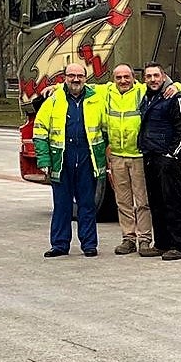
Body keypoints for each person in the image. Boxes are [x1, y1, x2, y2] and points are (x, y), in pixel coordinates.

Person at [32, 62, 107, 257]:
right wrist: (44, 161)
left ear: (86, 78)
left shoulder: (97, 97)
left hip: (86, 159)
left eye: (80, 76)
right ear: (64, 77)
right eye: (71, 75)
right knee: (62, 206)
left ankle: (89, 245)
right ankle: (59, 245)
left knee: (87, 205)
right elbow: (40, 131)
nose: (75, 79)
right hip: (61, 160)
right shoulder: (53, 99)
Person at [102, 64, 157, 257]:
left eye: (127, 77)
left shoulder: (142, 91)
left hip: (138, 155)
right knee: (123, 201)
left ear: (134, 78)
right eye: (119, 78)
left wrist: (174, 86)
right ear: (113, 79)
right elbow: (81, 85)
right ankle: (128, 238)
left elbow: (169, 84)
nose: (123, 81)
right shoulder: (106, 93)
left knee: (142, 201)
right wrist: (55, 88)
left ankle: (144, 239)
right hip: (117, 156)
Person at [138, 62, 181, 261]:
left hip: (167, 160)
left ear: (163, 77)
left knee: (173, 202)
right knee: (157, 203)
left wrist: (173, 155)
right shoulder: (146, 98)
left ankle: (179, 246)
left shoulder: (174, 98)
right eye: (149, 76)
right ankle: (161, 244)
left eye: (156, 76)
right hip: (150, 157)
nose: (152, 79)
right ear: (145, 79)